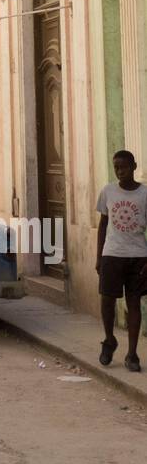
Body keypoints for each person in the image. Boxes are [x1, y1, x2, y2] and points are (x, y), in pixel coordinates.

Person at [96, 149, 147, 371]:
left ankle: (132, 354)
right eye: (116, 167)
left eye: (124, 167)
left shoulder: (144, 195)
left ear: (134, 167)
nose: (120, 171)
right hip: (112, 254)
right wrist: (99, 256)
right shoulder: (108, 191)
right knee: (107, 300)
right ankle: (109, 340)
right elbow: (103, 224)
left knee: (134, 303)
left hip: (138, 256)